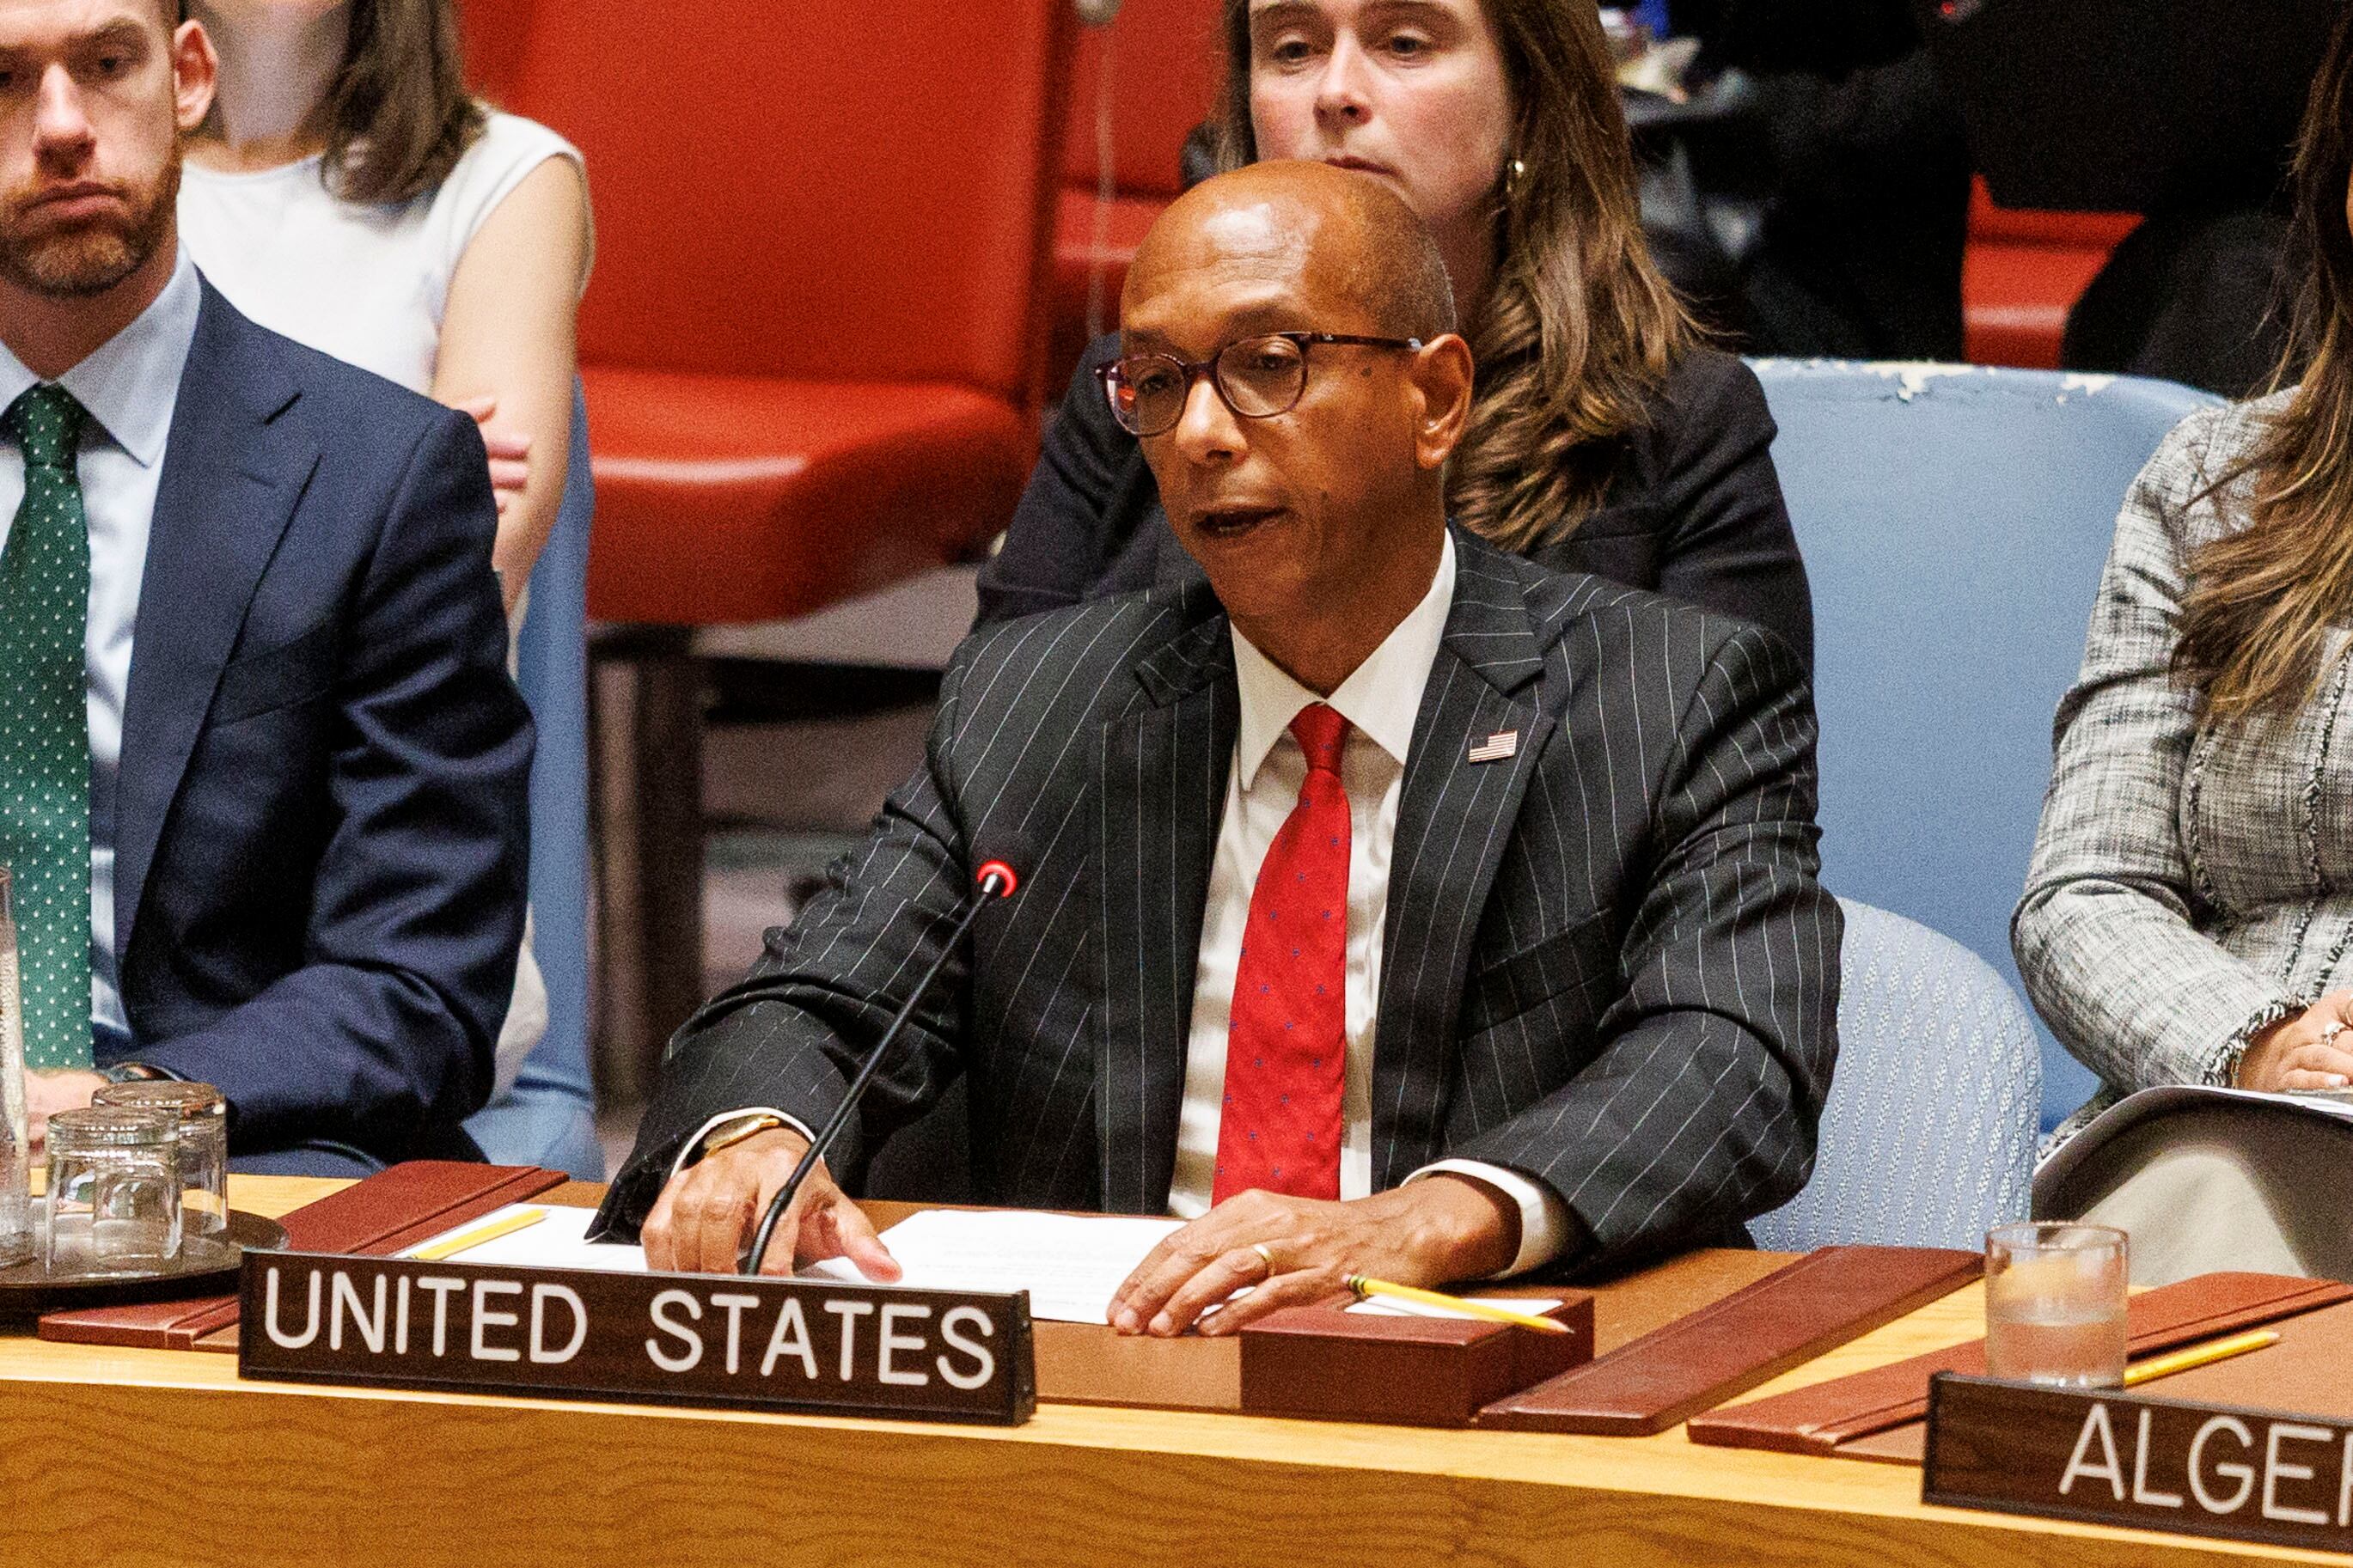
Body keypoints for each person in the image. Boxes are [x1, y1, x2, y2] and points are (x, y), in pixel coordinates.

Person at [598, 162, 1838, 1333]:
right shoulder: (1037, 702)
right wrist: (758, 1136)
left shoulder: (1668, 696)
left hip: (1480, 1379)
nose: (1198, 431)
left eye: (1266, 365)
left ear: (1435, 399)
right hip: (1103, 1380)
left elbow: (1729, 1052)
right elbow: (814, 1000)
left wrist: (1425, 1220)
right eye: (1155, 380)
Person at [3, 0, 532, 1173]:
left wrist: (113, 1108)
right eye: (2, 79)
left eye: (106, 63)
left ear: (189, 78)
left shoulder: (381, 479)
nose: (62, 125)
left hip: (238, 1134)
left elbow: (417, 982)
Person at [976, 0, 1812, 668]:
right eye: (1293, 48)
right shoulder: (1135, 396)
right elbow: (985, 765)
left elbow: (1725, 799)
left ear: (1527, 96)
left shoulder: (1684, 427)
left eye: (1405, 42)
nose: (1334, 92)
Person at [171, 0, 590, 1123]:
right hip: (102, 912)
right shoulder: (85, 171)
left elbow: (468, 568)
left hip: (372, 935)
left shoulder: (506, 178)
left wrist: (139, 511)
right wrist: (382, 475)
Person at [2016, 5, 2353, 1280]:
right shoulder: (2213, 482)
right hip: (2231, 1116)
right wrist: (2259, 1041)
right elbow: (2083, 891)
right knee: (2198, 1225)